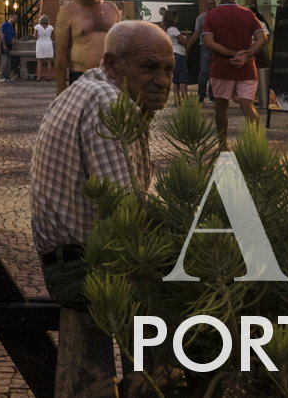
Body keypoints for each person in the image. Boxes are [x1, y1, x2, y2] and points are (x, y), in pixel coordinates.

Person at [29, 20, 175, 387]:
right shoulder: (107, 102)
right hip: (83, 269)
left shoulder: (96, 90)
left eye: (169, 69)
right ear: (112, 64)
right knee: (197, 292)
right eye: (148, 68)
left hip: (80, 260)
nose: (163, 81)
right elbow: (125, 214)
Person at [201, 0, 267, 145]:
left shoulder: (211, 15)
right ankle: (257, 145)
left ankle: (222, 145)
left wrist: (231, 54)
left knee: (221, 109)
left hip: (221, 68)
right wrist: (246, 55)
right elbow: (262, 39)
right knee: (248, 107)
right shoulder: (247, 13)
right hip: (246, 69)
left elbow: (209, 42)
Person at [53, 0, 121, 93]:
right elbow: (61, 52)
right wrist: (60, 87)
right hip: (81, 76)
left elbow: (120, 46)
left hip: (110, 76)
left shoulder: (112, 9)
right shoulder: (68, 12)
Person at [165, 11, 188, 102]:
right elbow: (183, 41)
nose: (178, 19)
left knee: (176, 78)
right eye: (176, 17)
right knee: (183, 77)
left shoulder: (167, 29)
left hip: (173, 54)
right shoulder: (174, 29)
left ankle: (176, 99)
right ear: (173, 18)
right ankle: (185, 99)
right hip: (178, 54)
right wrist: (186, 36)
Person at [33, 13, 56, 81]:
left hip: (40, 43)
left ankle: (38, 77)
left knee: (40, 61)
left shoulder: (37, 27)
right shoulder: (51, 27)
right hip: (48, 44)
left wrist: (33, 36)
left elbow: (35, 37)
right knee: (49, 61)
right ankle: (49, 77)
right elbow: (54, 37)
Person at [0, 14, 17, 82]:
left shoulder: (12, 27)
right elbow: (2, 35)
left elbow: (14, 36)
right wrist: (4, 44)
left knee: (9, 62)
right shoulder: (5, 25)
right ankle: (2, 76)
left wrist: (14, 41)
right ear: (10, 18)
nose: (15, 20)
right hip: (4, 44)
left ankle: (7, 76)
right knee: (4, 61)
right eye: (14, 18)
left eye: (16, 18)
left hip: (10, 45)